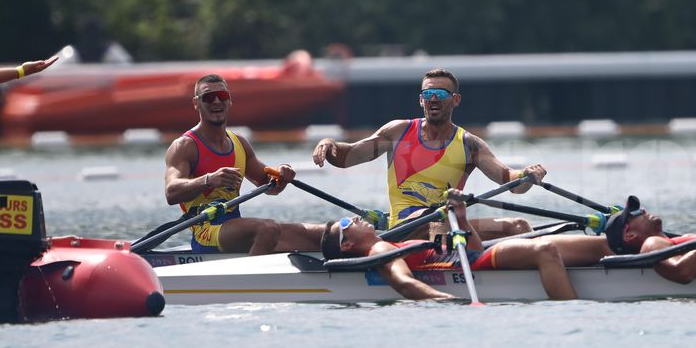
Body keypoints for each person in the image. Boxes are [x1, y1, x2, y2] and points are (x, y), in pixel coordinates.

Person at [310, 68, 545, 240]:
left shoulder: (470, 145)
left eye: (441, 94)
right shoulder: (397, 132)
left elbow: (512, 184)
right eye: (428, 94)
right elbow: (347, 157)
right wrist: (329, 143)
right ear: (421, 99)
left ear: (455, 100)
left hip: (446, 226)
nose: (433, 99)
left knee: (519, 226)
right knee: (433, 219)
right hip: (404, 228)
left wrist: (527, 174)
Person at [164, 74, 325, 255]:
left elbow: (270, 187)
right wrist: (209, 180)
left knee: (324, 235)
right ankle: (253, 280)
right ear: (196, 103)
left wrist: (282, 175)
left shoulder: (239, 143)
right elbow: (171, 193)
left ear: (229, 101)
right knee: (267, 229)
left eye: (222, 96)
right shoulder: (185, 146)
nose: (216, 101)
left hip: (234, 227)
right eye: (208, 97)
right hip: (205, 230)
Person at [321, 190, 578, 301]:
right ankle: (573, 314)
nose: (353, 218)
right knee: (544, 250)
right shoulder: (379, 250)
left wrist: (462, 217)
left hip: (471, 251)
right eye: (346, 222)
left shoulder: (388, 241)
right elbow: (405, 283)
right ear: (347, 245)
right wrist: (448, 301)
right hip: (470, 262)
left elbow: (473, 245)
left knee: (597, 246)